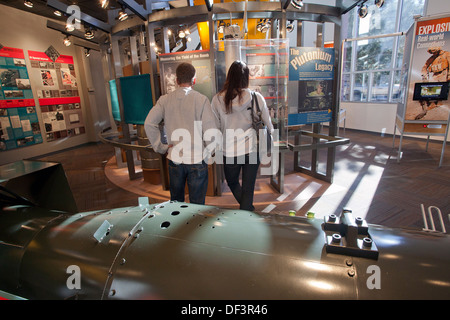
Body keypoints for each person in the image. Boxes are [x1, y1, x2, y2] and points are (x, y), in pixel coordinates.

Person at [144, 62, 216, 205]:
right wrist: (210, 151)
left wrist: (161, 147)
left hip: (174, 157)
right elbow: (210, 129)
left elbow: (149, 123)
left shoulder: (164, 100)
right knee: (197, 205)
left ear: (176, 80)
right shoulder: (201, 100)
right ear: (193, 80)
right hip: (197, 158)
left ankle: (178, 227)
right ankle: (195, 227)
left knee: (176, 204)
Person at [211, 60, 274, 211]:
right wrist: (271, 135)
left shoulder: (218, 99)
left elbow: (215, 128)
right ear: (247, 77)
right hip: (252, 149)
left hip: (229, 151)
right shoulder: (256, 97)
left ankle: (247, 209)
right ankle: (247, 209)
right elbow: (268, 124)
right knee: (248, 186)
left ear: (229, 76)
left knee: (231, 182)